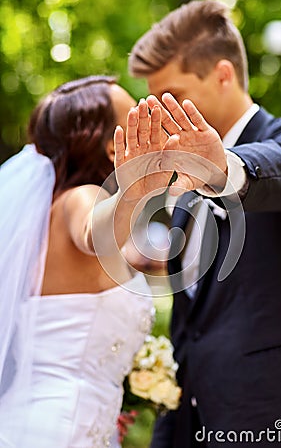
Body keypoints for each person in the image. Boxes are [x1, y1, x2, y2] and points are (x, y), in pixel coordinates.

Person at [128, 0, 281, 446]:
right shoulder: (183, 195)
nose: (165, 119)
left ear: (223, 75)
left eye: (177, 98)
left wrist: (222, 168)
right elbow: (191, 331)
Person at [0, 75, 173, 447]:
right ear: (114, 149)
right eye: (137, 119)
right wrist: (135, 188)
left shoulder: (48, 216)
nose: (152, 127)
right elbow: (98, 235)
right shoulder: (81, 198)